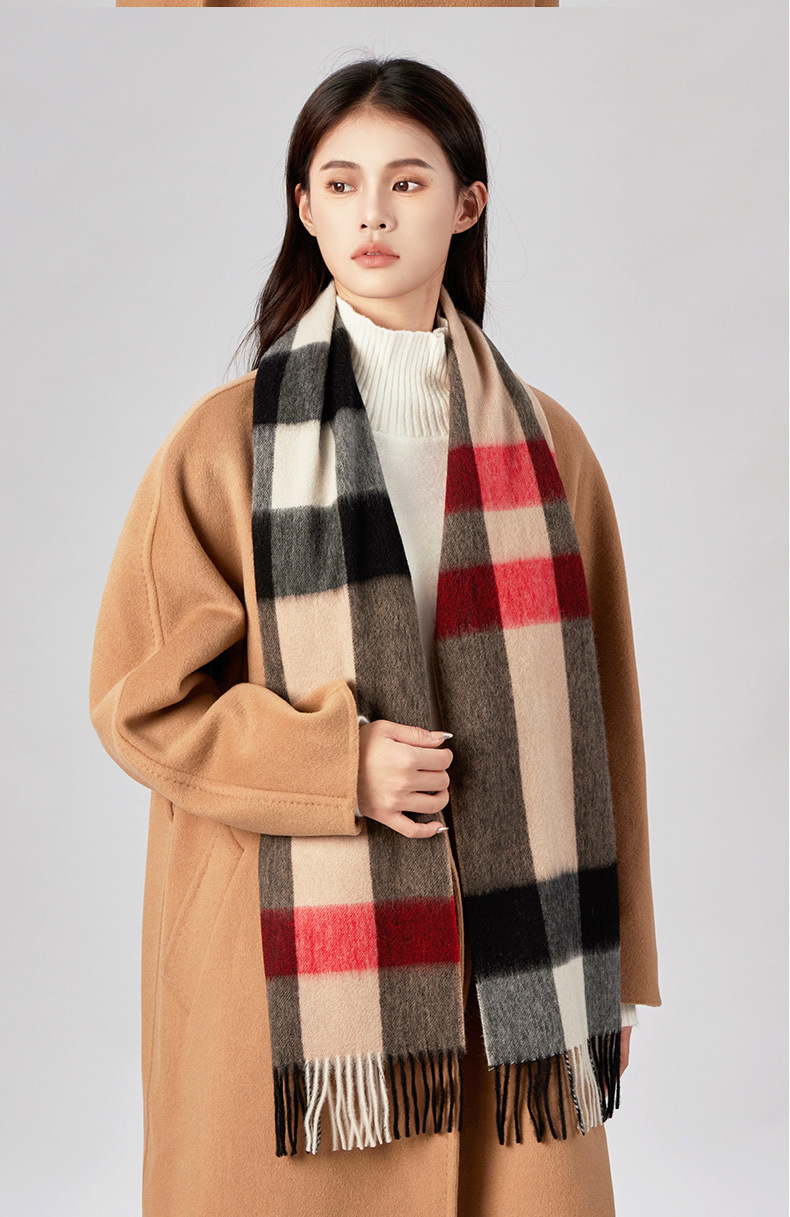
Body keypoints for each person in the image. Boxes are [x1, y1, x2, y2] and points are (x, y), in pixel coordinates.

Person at [89, 55, 661, 1217]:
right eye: (341, 183)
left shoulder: (550, 447)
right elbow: (139, 698)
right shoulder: (224, 443)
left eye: (407, 181)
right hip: (288, 969)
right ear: (304, 208)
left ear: (467, 202)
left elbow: (603, 725)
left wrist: (615, 967)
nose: (372, 213)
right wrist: (335, 763)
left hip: (507, 961)